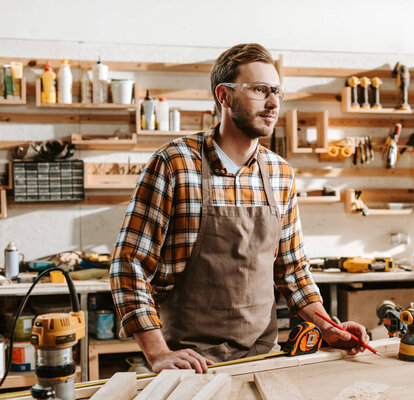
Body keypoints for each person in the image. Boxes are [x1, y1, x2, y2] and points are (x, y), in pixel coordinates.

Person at [110, 43, 369, 374]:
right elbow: (129, 264)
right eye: (260, 90)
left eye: (277, 91)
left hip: (263, 357)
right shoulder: (175, 163)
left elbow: (292, 270)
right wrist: (157, 351)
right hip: (189, 362)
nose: (273, 102)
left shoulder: (280, 174)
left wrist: (326, 326)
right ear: (225, 96)